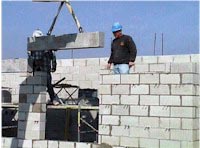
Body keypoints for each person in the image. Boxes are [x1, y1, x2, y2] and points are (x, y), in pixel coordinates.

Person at [28, 29, 60, 105]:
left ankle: (53, 99)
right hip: (37, 70)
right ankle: (36, 101)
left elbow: (54, 54)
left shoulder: (47, 45)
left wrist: (54, 66)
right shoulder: (33, 47)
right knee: (38, 87)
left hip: (45, 70)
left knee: (49, 85)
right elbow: (30, 59)